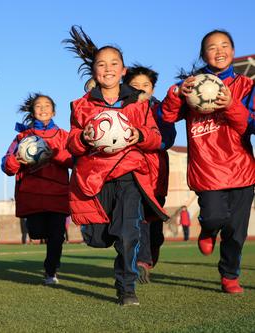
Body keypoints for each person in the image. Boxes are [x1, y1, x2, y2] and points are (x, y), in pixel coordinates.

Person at [64, 26, 168, 306]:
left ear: (123, 70)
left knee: (128, 234)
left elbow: (156, 138)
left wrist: (140, 135)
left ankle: (126, 288)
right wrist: (84, 138)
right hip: (95, 179)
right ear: (94, 71)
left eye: (114, 64)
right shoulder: (81, 106)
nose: (108, 69)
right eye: (101, 64)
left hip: (130, 175)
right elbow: (71, 143)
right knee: (98, 238)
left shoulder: (138, 103)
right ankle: (110, 241)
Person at [160, 30, 254, 294]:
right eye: (212, 47)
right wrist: (176, 93)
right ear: (203, 54)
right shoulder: (191, 86)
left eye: (225, 45)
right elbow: (167, 117)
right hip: (207, 169)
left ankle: (229, 275)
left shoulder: (247, 87)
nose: (219, 50)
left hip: (242, 169)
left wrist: (231, 105)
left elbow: (251, 125)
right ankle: (207, 231)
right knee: (213, 217)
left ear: (233, 51)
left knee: (236, 231)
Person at [2, 93, 73, 285]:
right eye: (38, 106)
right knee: (36, 232)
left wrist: (53, 156)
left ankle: (51, 270)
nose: (43, 109)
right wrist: (16, 160)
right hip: (32, 194)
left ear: (54, 111)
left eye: (47, 105)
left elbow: (74, 161)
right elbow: (6, 166)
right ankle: (50, 259)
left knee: (57, 235)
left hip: (57, 194)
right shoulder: (23, 137)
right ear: (33, 111)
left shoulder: (64, 136)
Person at [123, 65, 177, 283]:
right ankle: (141, 261)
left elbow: (168, 139)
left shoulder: (161, 110)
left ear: (153, 89)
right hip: (131, 171)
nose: (140, 89)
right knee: (138, 218)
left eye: (145, 85)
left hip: (156, 173)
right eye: (135, 86)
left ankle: (150, 253)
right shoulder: (121, 109)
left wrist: (146, 139)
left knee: (154, 225)